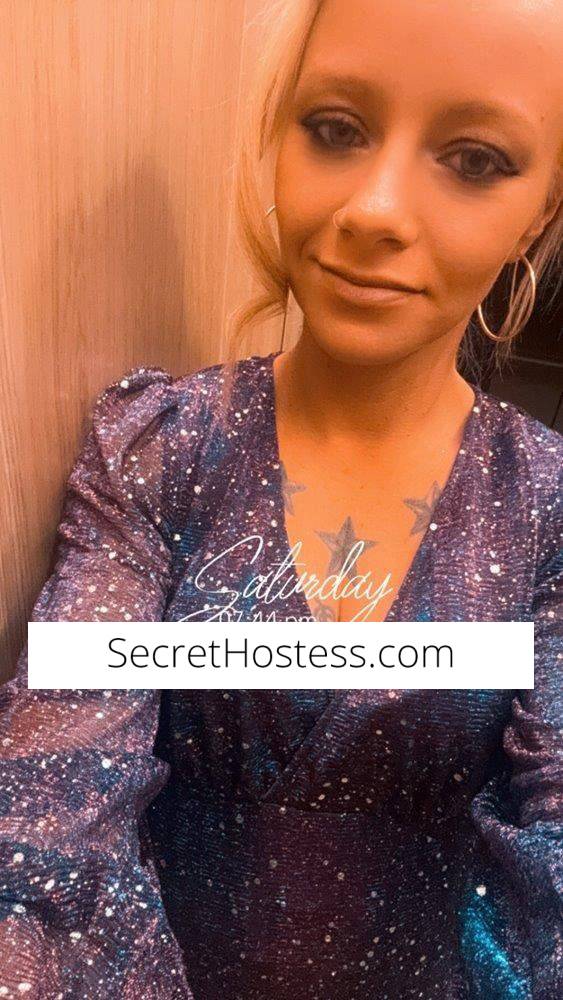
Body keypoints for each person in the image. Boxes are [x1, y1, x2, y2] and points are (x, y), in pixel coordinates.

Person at [1, 0, 562, 997]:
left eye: (474, 160)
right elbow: (55, 804)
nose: (374, 210)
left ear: (541, 213)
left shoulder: (547, 507)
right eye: (335, 130)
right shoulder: (161, 450)